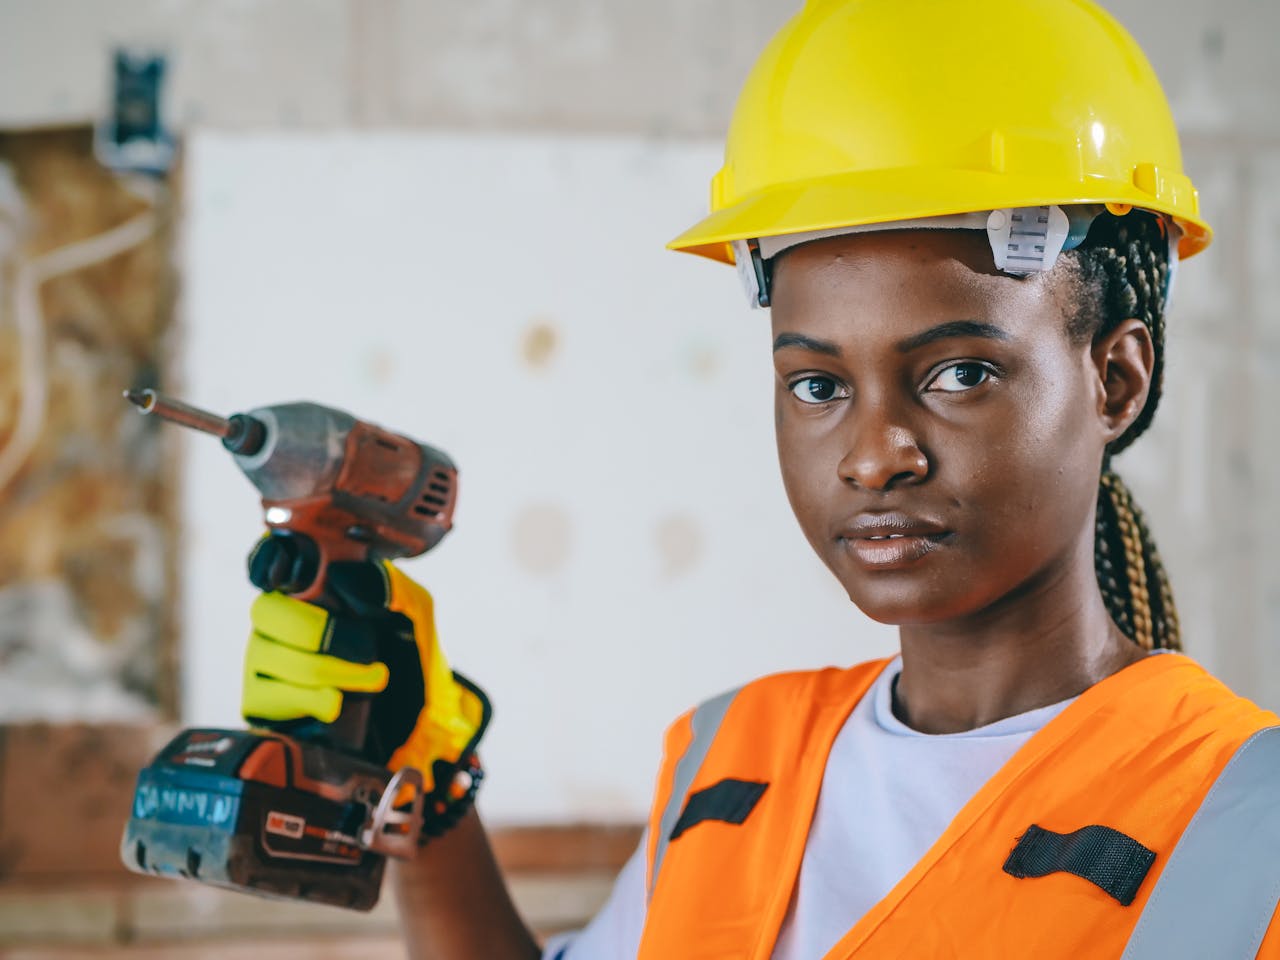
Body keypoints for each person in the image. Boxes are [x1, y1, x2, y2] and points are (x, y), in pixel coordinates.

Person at [240, 0, 1280, 957]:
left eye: (958, 374)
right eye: (817, 384)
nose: (873, 454)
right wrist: (430, 795)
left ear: (1114, 379)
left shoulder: (1241, 820)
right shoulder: (730, 762)